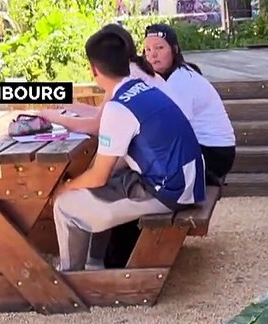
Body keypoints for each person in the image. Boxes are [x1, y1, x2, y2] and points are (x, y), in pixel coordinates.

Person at [51, 24, 206, 271]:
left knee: (65, 205)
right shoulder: (142, 87)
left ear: (93, 68)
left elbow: (98, 176)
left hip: (171, 192)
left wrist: (65, 188)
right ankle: (94, 264)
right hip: (188, 181)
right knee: (107, 181)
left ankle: (71, 282)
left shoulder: (118, 106)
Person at [142, 23, 236, 184]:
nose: (153, 55)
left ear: (174, 49)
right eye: (148, 50)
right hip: (204, 148)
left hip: (214, 154)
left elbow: (171, 129)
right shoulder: (166, 78)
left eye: (159, 48)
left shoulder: (182, 80)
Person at [35, 24, 163, 136]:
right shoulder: (132, 69)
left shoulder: (128, 75)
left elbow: (98, 126)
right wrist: (67, 104)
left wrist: (57, 118)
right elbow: (102, 115)